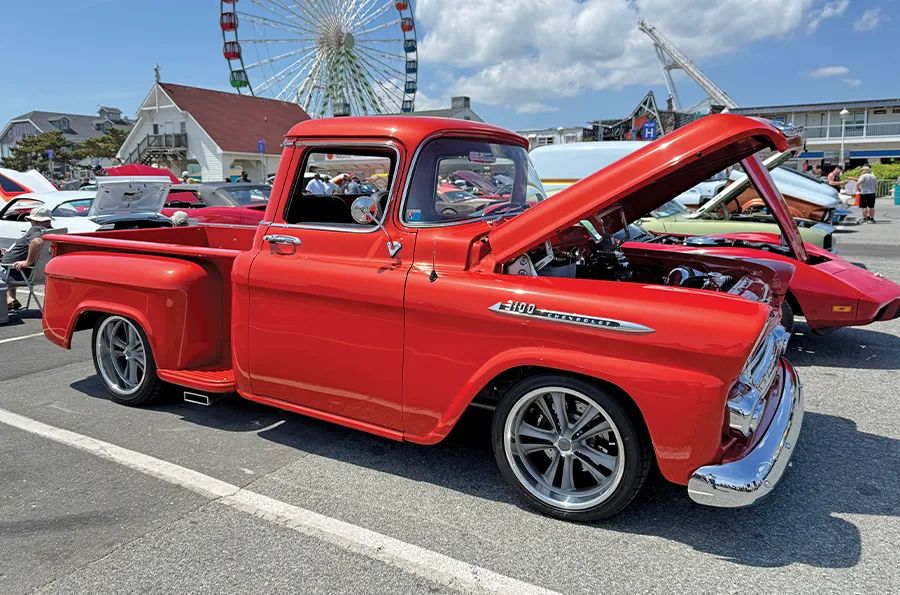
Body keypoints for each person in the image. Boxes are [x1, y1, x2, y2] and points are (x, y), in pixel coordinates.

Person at [0, 207, 52, 311]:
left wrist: (27, 262)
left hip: (20, 273)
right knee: (7, 269)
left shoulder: (36, 230)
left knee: (3, 273)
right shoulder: (51, 231)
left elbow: (37, 242)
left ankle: (9, 300)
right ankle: (12, 300)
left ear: (36, 221)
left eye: (31, 220)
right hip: (34, 272)